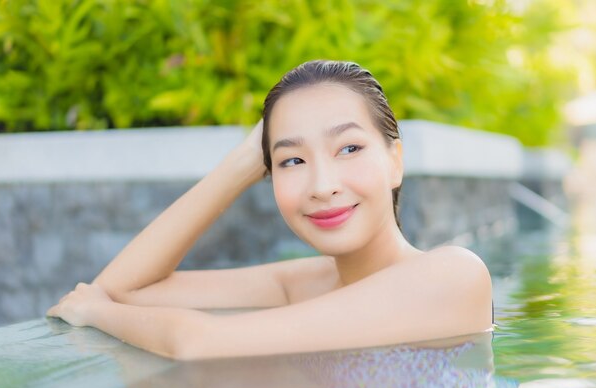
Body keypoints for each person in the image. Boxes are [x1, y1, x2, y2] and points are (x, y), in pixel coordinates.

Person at [46, 60, 493, 360]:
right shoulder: (306, 282)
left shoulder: (454, 276)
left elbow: (195, 342)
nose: (322, 186)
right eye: (291, 160)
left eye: (349, 147)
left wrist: (96, 314)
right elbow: (121, 289)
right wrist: (239, 166)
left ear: (395, 159)